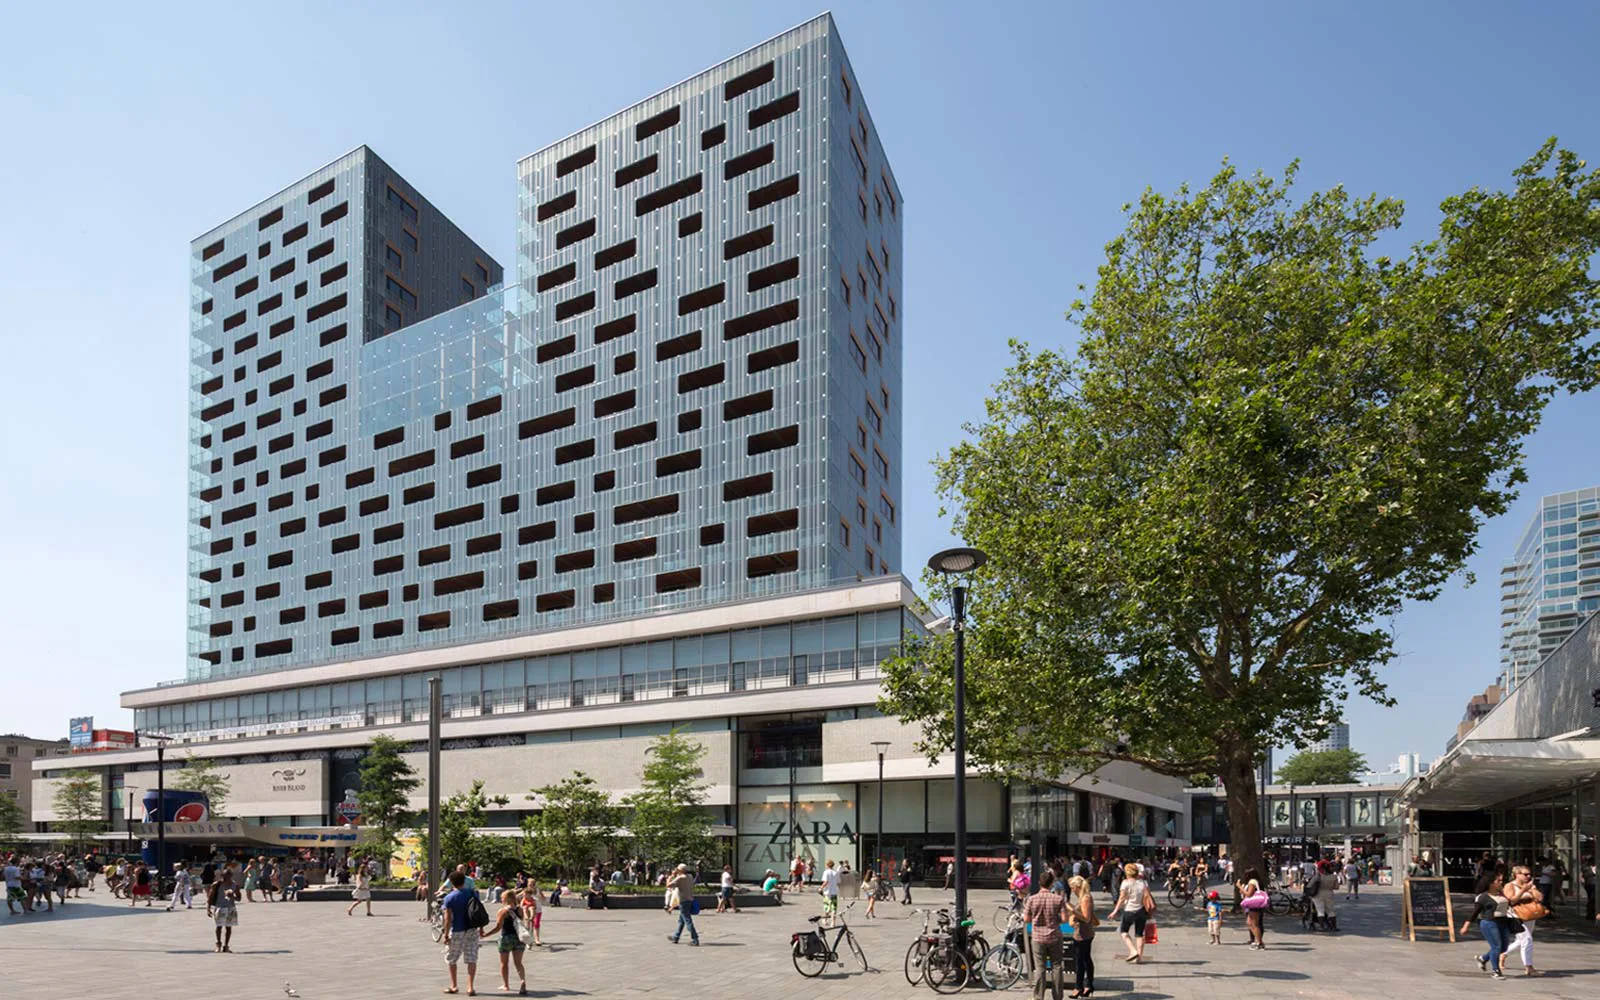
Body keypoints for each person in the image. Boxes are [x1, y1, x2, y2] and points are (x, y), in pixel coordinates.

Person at [1460, 871, 1517, 980]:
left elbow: (1510, 903)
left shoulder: (1502, 893)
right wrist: (1466, 926)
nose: (1501, 882)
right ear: (1490, 883)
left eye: (1502, 880)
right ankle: (1496, 971)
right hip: (1489, 922)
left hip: (1503, 922)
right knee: (1496, 946)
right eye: (1498, 881)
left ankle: (1483, 959)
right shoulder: (1482, 897)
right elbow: (1474, 913)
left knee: (1503, 947)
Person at [1022, 867, 1068, 1000]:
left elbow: (1026, 919)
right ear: (1052, 883)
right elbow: (1064, 919)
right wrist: (1055, 919)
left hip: (1038, 937)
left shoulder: (1032, 899)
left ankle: (1038, 996)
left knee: (1040, 968)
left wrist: (1035, 919)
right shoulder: (1058, 899)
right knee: (1057, 966)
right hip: (1054, 936)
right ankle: (1057, 996)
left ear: (1039, 883)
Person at [482, 889, 528, 996]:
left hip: (506, 938)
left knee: (504, 963)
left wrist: (486, 935)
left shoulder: (503, 911)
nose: (501, 899)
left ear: (506, 899)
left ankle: (506, 985)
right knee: (518, 963)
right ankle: (522, 980)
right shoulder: (520, 909)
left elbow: (498, 927)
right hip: (519, 938)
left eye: (502, 898)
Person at [1105, 862, 1154, 964]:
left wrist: (1115, 911)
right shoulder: (1143, 883)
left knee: (1123, 931)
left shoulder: (1125, 883)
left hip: (1129, 910)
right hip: (1141, 911)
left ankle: (1133, 951)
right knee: (1139, 934)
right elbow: (1148, 896)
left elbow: (1122, 898)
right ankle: (1139, 958)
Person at [442, 870, 481, 995]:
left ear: (451, 882)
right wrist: (481, 927)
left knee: (452, 958)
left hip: (457, 930)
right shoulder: (472, 893)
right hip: (472, 929)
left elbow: (448, 919)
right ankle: (470, 987)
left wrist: (446, 934)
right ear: (464, 881)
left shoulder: (449, 898)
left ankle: (454, 986)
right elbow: (478, 911)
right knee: (471, 958)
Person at [1503, 865, 1545, 977]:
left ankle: (1502, 954)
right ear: (1517, 874)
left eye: (1529, 874)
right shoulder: (1510, 885)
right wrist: (1523, 890)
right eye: (1525, 874)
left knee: (1521, 941)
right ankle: (1529, 967)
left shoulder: (1530, 885)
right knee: (1527, 939)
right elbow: (1510, 901)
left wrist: (1533, 889)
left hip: (1529, 915)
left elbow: (1540, 898)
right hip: (1515, 916)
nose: (1528, 876)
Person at [1067, 874, 1097, 999]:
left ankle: (1079, 987)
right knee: (1085, 959)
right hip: (1084, 932)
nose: (1072, 890)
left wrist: (1072, 911)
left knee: (1080, 961)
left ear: (1078, 887)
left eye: (1072, 887)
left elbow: (1086, 918)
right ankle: (1088, 985)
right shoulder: (1083, 897)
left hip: (1083, 934)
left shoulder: (1085, 898)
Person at [666, 863, 700, 946]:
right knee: (681, 921)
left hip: (683, 901)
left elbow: (668, 885)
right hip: (690, 900)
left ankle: (695, 939)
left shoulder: (680, 878)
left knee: (687, 921)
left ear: (679, 870)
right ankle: (676, 937)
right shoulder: (690, 877)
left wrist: (671, 876)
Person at [209, 870, 239, 953]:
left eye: (228, 875)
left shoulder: (234, 885)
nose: (226, 877)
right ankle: (218, 944)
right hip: (219, 908)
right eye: (224, 876)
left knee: (228, 928)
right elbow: (210, 897)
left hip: (230, 908)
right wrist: (208, 908)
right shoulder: (217, 884)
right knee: (219, 926)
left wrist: (232, 897)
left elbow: (239, 898)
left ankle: (226, 946)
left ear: (231, 876)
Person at [1237, 869, 1266, 950]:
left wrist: (1239, 886)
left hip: (1254, 905)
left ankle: (1259, 943)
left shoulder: (1252, 882)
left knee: (1254, 924)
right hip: (1252, 905)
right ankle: (1258, 941)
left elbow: (1249, 894)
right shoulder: (1253, 882)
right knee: (1249, 923)